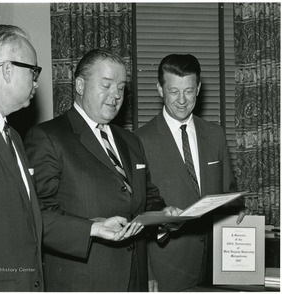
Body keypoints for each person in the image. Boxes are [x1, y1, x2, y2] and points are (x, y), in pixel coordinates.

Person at [0, 26, 140, 292]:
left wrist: (92, 227)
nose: (36, 82)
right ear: (7, 70)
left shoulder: (12, 135)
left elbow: (28, 220)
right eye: (33, 71)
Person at [24, 48, 181, 292]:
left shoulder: (130, 140)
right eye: (106, 85)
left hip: (134, 280)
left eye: (120, 87)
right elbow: (38, 215)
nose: (115, 95)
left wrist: (164, 214)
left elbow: (146, 196)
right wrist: (92, 228)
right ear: (79, 85)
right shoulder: (48, 137)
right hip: (83, 281)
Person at [135, 54, 250, 291]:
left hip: (216, 265)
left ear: (198, 88)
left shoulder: (215, 135)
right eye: (174, 91)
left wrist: (239, 208)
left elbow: (229, 193)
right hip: (167, 269)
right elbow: (136, 211)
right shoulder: (139, 141)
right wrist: (146, 273)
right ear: (159, 89)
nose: (181, 100)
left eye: (188, 91)